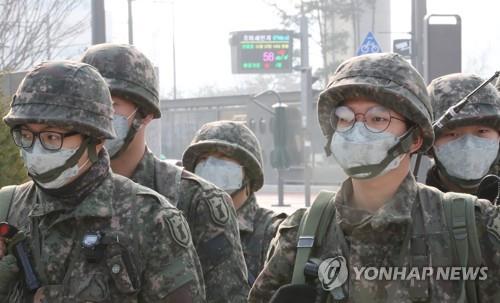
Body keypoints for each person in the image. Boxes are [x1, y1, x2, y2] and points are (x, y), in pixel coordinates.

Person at [248, 53, 500, 302]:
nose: (358, 130)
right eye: (345, 119)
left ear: (414, 138)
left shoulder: (474, 227)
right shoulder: (303, 233)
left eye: (377, 119)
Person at [0, 61, 205, 302]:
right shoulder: (7, 207)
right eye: (25, 135)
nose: (35, 148)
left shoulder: (152, 220)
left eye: (51, 137)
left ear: (95, 139)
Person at [80, 43, 249, 302]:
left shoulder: (196, 201)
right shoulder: (59, 194)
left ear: (145, 113)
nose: (98, 116)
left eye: (112, 105)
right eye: (88, 105)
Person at [182, 120, 287, 285]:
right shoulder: (180, 225)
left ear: (248, 171)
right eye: (203, 158)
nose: (210, 165)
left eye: (223, 157)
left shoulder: (274, 233)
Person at [426, 73, 500, 202]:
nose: (468, 145)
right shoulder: (410, 211)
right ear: (430, 145)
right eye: (452, 134)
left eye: (482, 131)